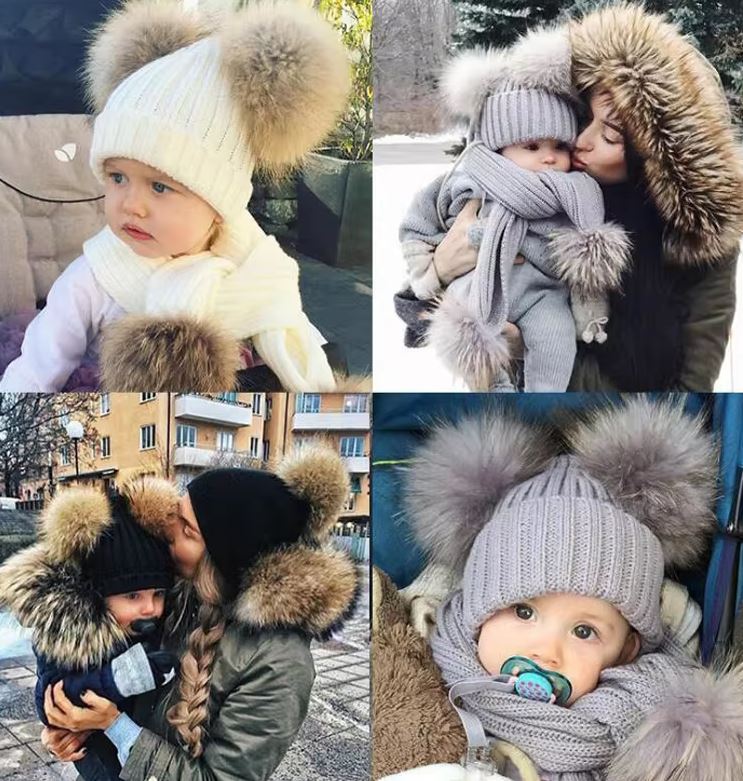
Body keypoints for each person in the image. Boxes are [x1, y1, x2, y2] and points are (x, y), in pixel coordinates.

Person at [375, 398, 743, 780]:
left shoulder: (645, 722)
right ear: (475, 614)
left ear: (625, 651)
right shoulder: (427, 666)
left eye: (584, 631)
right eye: (523, 611)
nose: (546, 652)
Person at [0, 0, 350, 393]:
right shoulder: (93, 277)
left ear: (219, 203)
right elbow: (37, 365)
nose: (130, 203)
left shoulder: (257, 266)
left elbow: (293, 327)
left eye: (160, 186)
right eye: (117, 177)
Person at [394, 4, 743, 391]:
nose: (581, 141)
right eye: (583, 119)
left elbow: (689, 394)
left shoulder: (696, 244)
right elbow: (416, 311)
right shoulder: (537, 185)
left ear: (654, 161)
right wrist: (440, 269)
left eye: (610, 136)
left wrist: (526, 347)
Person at [40, 443, 359, 781]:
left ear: (221, 559)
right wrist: (65, 726)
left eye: (186, 529)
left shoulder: (280, 665)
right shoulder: (176, 592)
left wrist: (114, 726)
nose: (168, 531)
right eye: (176, 515)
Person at [400, 60, 630, 392]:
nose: (549, 158)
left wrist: (583, 297)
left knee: (556, 337)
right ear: (500, 150)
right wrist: (429, 269)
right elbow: (418, 222)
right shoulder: (470, 180)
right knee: (468, 329)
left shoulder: (575, 192)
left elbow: (580, 252)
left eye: (559, 147)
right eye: (532, 147)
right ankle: (494, 389)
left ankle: (542, 397)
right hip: (480, 285)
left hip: (542, 294)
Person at [0, 487, 179, 781]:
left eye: (158, 593)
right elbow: (49, 700)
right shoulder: (70, 632)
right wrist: (119, 679)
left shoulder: (152, 623)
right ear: (98, 596)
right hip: (100, 762)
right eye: (132, 595)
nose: (150, 608)